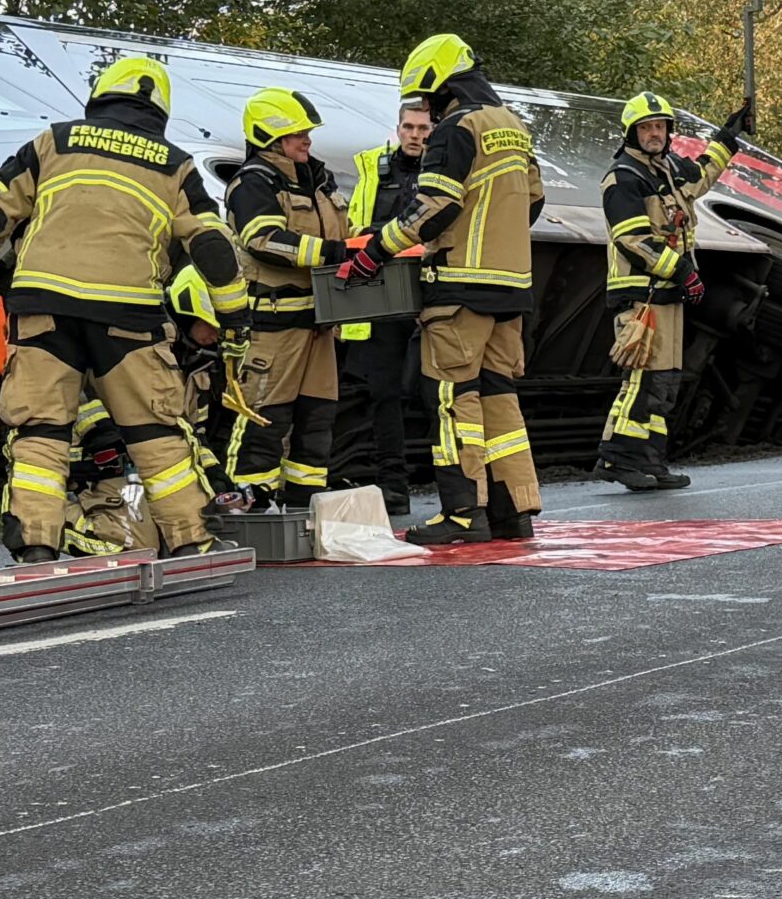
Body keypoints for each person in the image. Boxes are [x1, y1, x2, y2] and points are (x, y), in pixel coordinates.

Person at [0, 54, 248, 560]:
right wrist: (235, 318)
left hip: (43, 308)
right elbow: (212, 247)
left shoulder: (52, 142)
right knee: (155, 432)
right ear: (159, 113)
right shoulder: (174, 165)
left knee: (41, 430)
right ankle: (191, 541)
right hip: (128, 316)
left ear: (100, 96)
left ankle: (37, 546)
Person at [348, 34, 544, 546]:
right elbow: (534, 201)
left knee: (452, 399)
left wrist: (376, 249)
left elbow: (433, 206)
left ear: (440, 88)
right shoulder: (515, 127)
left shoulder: (458, 128)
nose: (428, 112)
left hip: (459, 287)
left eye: (428, 100)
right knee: (499, 398)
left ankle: (462, 513)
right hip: (512, 288)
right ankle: (513, 512)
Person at [594, 90, 754, 490]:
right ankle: (618, 459)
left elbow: (701, 175)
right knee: (644, 380)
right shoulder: (623, 178)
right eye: (647, 128)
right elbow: (632, 240)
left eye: (660, 127)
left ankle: (649, 461)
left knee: (663, 380)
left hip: (666, 293)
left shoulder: (666, 169)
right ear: (631, 133)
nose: (654, 134)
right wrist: (683, 271)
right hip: (642, 293)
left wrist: (727, 137)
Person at [224, 89, 350, 510]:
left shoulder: (320, 179)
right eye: (298, 134)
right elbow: (261, 240)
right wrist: (331, 253)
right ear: (272, 138)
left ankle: (304, 508)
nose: (308, 141)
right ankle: (249, 509)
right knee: (264, 420)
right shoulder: (253, 182)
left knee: (317, 423)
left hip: (321, 324)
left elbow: (341, 234)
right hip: (273, 325)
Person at [64, 266, 238, 553]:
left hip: (152, 467)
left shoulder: (199, 367)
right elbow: (79, 390)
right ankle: (47, 522)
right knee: (138, 547)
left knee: (187, 534)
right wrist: (101, 429)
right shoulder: (132, 340)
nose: (216, 335)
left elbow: (195, 433)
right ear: (188, 313)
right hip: (103, 463)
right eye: (211, 325)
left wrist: (214, 473)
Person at [332, 96, 432, 514]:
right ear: (398, 128)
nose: (415, 136)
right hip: (386, 292)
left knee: (432, 391)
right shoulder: (375, 167)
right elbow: (355, 225)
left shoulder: (445, 167)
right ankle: (394, 486)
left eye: (423, 129)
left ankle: (457, 484)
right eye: (409, 128)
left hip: (432, 291)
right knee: (384, 394)